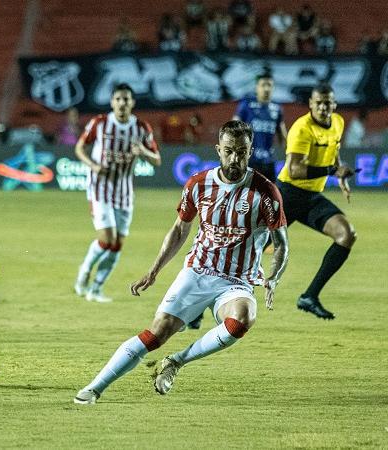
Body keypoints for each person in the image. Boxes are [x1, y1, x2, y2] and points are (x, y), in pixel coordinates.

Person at [74, 120, 289, 404]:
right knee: (156, 334)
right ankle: (94, 388)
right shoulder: (199, 185)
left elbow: (282, 244)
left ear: (250, 151)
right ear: (218, 150)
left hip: (236, 281)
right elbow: (179, 230)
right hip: (198, 272)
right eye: (228, 151)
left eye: (241, 151)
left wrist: (273, 276)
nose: (234, 158)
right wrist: (153, 271)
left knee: (243, 318)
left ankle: (176, 362)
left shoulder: (265, 192)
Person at [73, 84, 161, 303]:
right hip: (99, 187)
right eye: (118, 99)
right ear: (112, 102)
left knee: (117, 244)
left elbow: (157, 160)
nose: (122, 103)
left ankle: (96, 288)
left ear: (132, 102)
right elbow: (79, 148)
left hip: (124, 192)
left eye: (126, 99)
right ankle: (84, 269)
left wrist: (142, 152)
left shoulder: (141, 127)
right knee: (107, 238)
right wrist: (93, 166)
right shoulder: (100, 123)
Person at [277, 83, 357, 320]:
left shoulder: (338, 122)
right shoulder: (302, 128)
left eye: (327, 103)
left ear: (334, 104)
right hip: (287, 194)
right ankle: (199, 303)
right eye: (318, 103)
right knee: (249, 247)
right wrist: (333, 171)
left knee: (346, 234)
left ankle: (309, 296)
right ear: (311, 104)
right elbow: (294, 170)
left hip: (311, 197)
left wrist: (340, 174)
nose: (323, 107)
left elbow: (334, 153)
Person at [233, 73, 288, 182]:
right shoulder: (246, 105)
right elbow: (232, 129)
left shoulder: (277, 109)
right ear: (257, 87)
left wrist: (288, 154)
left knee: (272, 196)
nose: (266, 89)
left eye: (269, 85)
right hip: (249, 160)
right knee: (247, 195)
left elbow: (283, 135)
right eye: (263, 85)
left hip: (269, 161)